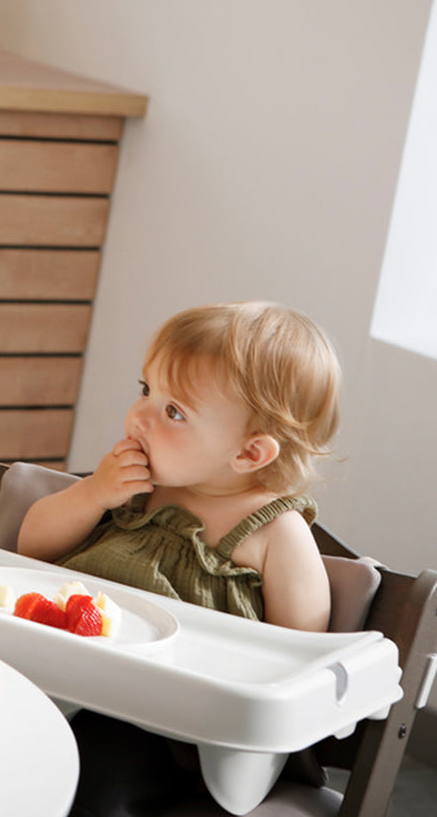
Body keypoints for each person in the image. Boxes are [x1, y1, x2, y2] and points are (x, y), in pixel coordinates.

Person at [17, 301, 342, 816]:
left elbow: (297, 655)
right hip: (54, 674)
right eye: (146, 390)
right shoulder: (134, 485)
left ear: (249, 454)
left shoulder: (276, 533)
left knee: (96, 768)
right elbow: (33, 549)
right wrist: (92, 494)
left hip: (165, 724)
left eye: (174, 411)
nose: (139, 416)